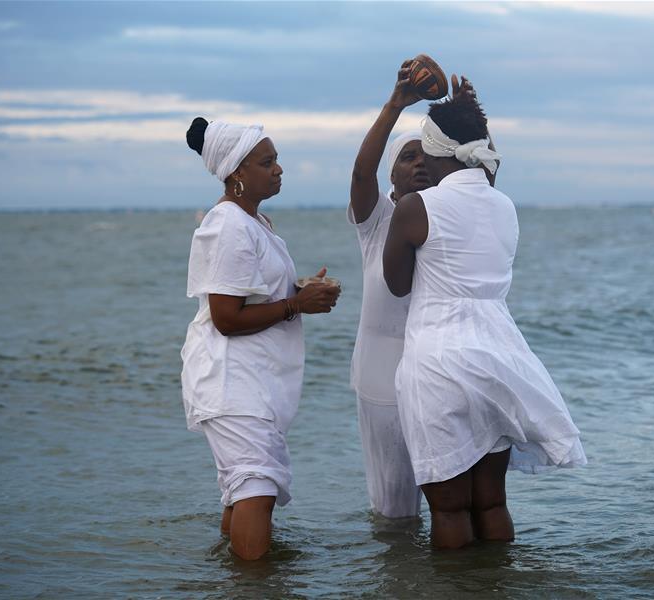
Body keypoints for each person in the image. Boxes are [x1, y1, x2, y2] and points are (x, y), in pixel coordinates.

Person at [383, 78, 587, 549]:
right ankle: (499, 584)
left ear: (434, 153)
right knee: (491, 503)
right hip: (498, 357)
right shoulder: (504, 205)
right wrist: (473, 112)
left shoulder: (417, 208)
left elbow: (397, 285)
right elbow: (482, 173)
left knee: (450, 509)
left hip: (438, 363)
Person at [181, 118, 341, 560]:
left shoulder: (253, 221)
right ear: (236, 173)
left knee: (244, 488)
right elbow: (226, 317)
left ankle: (235, 581)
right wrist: (295, 305)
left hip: (250, 381)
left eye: (277, 160)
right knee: (256, 485)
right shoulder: (229, 224)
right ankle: (254, 584)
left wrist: (301, 291)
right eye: (267, 162)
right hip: (233, 381)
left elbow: (250, 294)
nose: (279, 170)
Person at [346, 59, 431, 519]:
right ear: (393, 173)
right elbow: (362, 174)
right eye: (407, 157)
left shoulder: (444, 216)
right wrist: (396, 104)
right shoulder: (376, 219)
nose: (418, 164)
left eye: (425, 156)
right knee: (394, 508)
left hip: (435, 370)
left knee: (450, 498)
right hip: (380, 374)